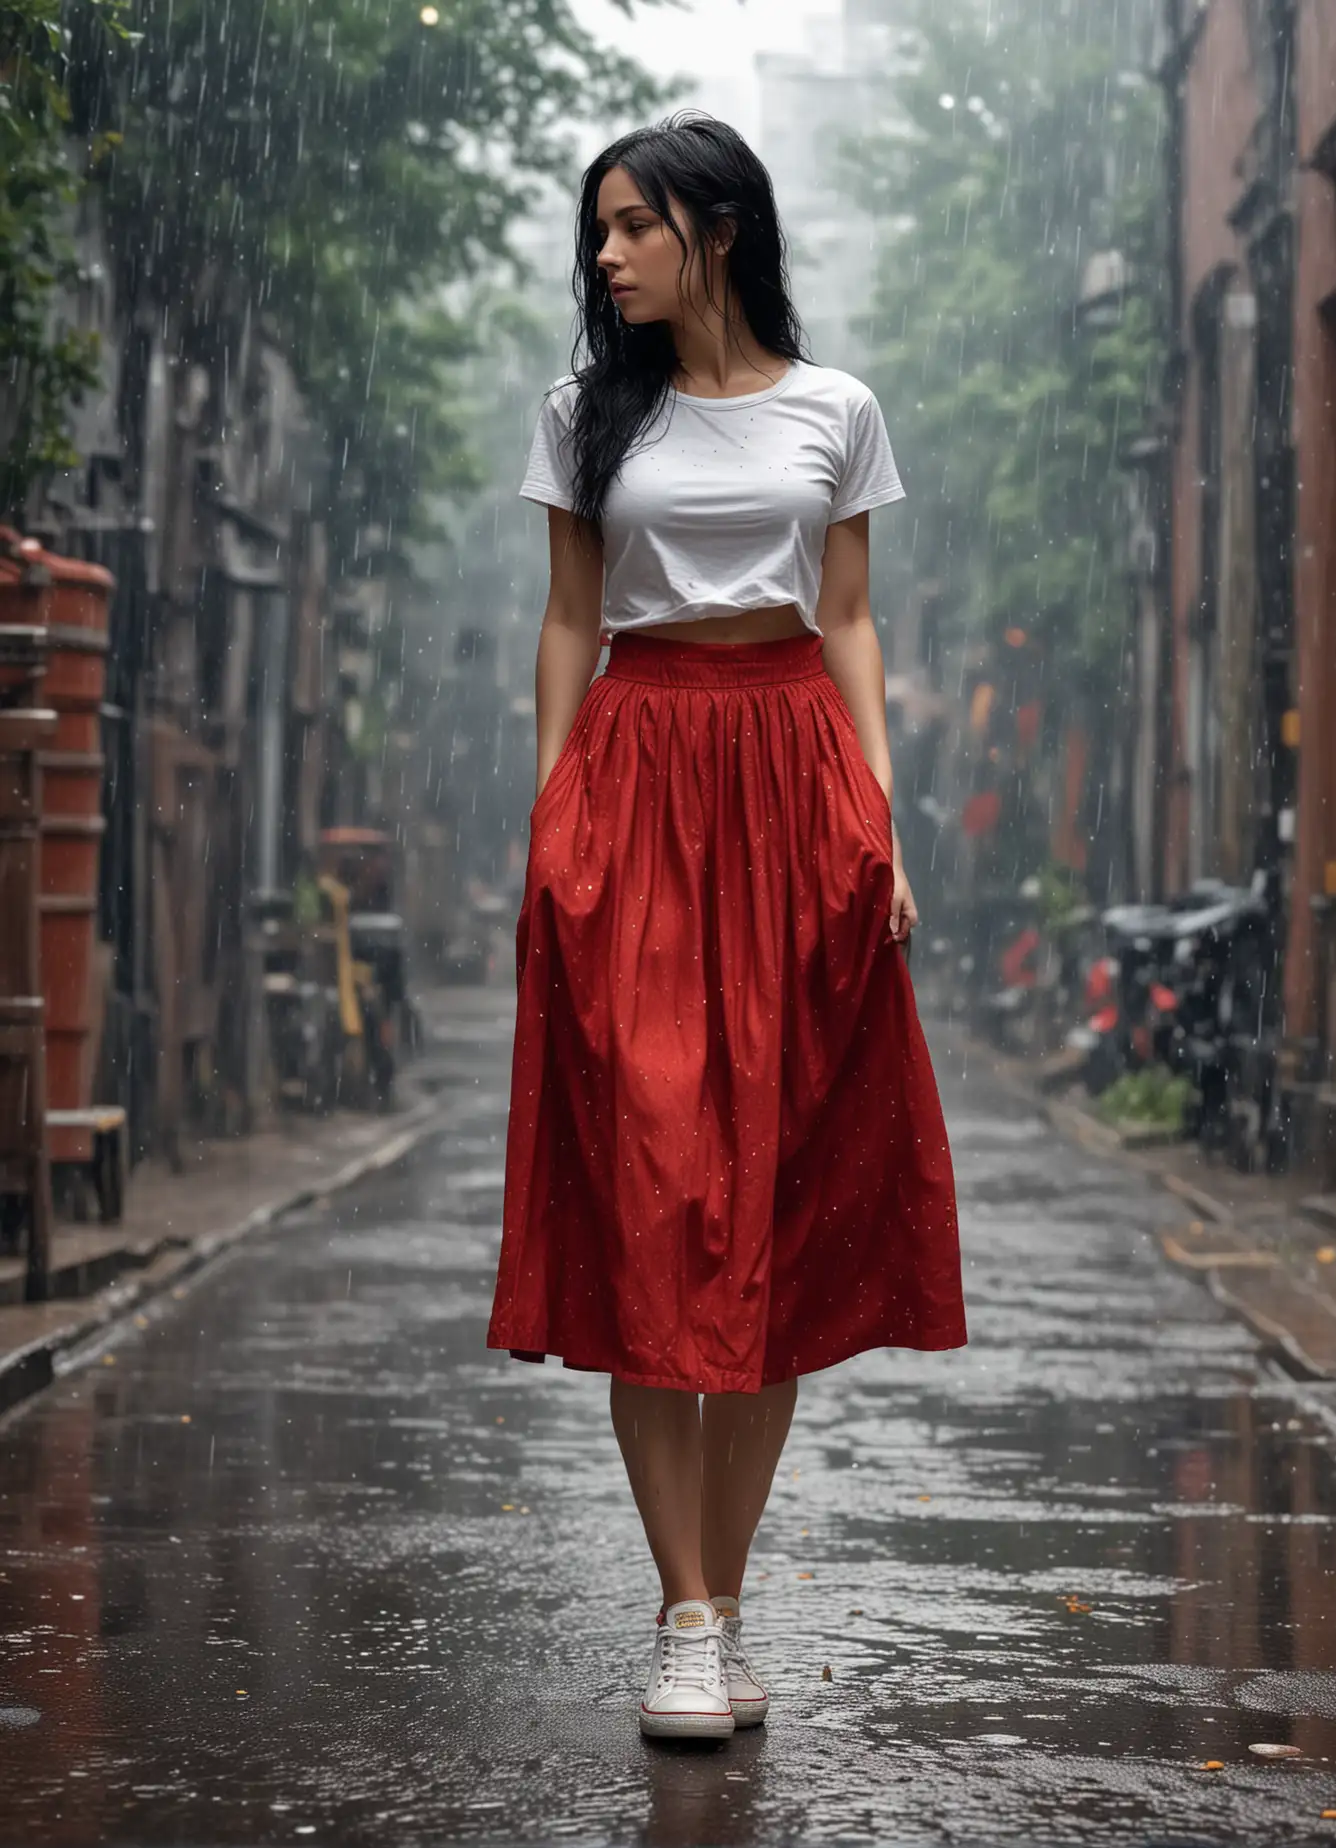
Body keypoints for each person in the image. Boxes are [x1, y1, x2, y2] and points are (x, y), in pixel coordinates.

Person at [486, 112, 965, 1741]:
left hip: (792, 786)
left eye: (633, 227)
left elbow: (846, 619)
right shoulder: (584, 416)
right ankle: (682, 1617)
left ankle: (723, 1599)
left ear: (720, 230)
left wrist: (878, 821)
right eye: (598, 231)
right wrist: (551, 815)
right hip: (635, 778)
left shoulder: (838, 409)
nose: (606, 256)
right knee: (645, 1190)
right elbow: (568, 620)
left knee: (774, 1202)